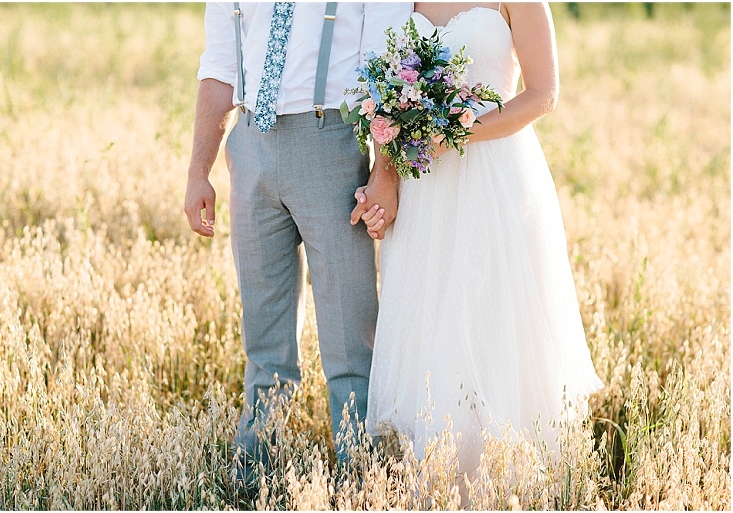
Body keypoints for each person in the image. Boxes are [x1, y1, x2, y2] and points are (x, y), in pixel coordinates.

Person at [353, 1, 604, 484]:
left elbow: (543, 94)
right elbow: (384, 87)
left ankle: (507, 481)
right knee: (430, 319)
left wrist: (456, 135)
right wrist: (388, 167)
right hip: (425, 184)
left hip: (497, 176)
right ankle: (438, 476)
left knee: (492, 318)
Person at [184, 1, 412, 480]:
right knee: (263, 328)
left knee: (350, 329)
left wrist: (385, 172)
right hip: (250, 142)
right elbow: (220, 65)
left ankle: (360, 475)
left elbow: (389, 64)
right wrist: (197, 172)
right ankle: (254, 469)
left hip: (330, 140)